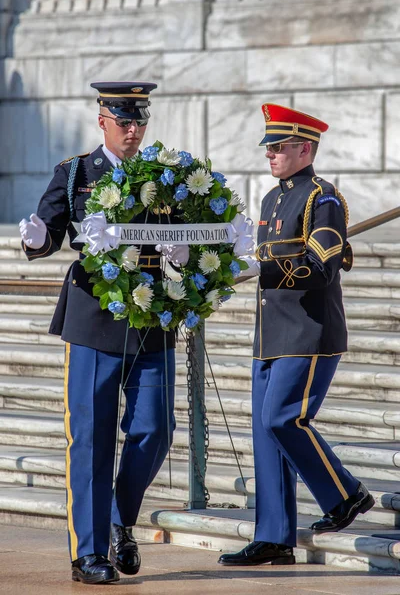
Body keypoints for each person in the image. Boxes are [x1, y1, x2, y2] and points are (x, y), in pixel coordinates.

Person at [19, 82, 180, 584]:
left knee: (156, 429)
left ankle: (117, 520)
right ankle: (88, 553)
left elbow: (188, 226)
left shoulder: (167, 175)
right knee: (90, 439)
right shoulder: (76, 173)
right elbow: (47, 230)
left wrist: (186, 255)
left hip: (152, 321)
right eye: (124, 121)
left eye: (140, 122)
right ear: (103, 121)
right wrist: (39, 239)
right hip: (94, 321)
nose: (133, 131)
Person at [218, 103, 375, 567]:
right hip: (271, 334)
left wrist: (262, 266)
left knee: (283, 420)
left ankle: (346, 495)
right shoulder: (271, 199)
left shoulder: (321, 198)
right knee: (265, 434)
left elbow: (321, 268)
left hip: (309, 332)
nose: (270, 154)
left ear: (304, 148)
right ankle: (274, 537)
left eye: (279, 146)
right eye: (268, 146)